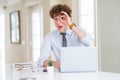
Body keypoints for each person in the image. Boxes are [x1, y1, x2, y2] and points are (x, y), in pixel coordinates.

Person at [38, 4, 93, 69]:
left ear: (69, 18)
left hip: (80, 70)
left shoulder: (78, 31)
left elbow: (89, 42)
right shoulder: (50, 36)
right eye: (56, 19)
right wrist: (58, 64)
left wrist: (71, 25)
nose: (58, 22)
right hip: (61, 72)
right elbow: (42, 60)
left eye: (62, 18)